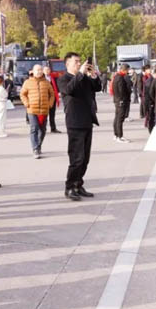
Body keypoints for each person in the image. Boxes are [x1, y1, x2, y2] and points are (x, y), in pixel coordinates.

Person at [57, 53, 101, 201]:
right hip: (75, 122)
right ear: (67, 64)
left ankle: (78, 184)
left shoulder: (83, 78)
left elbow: (97, 87)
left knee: (85, 159)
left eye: (79, 61)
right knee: (77, 158)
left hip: (87, 120)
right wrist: (81, 73)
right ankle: (69, 187)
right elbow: (70, 90)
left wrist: (93, 75)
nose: (78, 64)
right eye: (75, 61)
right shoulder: (64, 79)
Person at [20, 64, 55, 159]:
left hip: (44, 110)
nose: (39, 72)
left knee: (43, 130)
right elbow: (22, 94)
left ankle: (38, 145)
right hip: (32, 110)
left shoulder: (46, 82)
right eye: (37, 70)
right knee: (34, 128)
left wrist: (50, 104)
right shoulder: (27, 82)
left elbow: (52, 94)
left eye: (40, 70)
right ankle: (35, 149)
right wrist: (26, 103)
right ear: (33, 71)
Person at [112, 64, 131, 143]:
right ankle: (120, 136)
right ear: (125, 70)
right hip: (121, 101)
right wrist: (122, 100)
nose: (128, 72)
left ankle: (116, 135)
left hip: (117, 100)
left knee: (117, 118)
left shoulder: (116, 76)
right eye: (128, 70)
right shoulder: (120, 78)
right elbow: (121, 90)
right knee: (120, 119)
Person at [43, 66, 61, 133]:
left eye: (48, 69)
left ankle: (53, 128)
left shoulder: (53, 78)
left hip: (52, 98)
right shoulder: (41, 78)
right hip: (44, 98)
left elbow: (57, 86)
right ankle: (43, 128)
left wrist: (58, 93)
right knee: (44, 114)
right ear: (43, 71)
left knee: (52, 114)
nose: (47, 71)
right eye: (45, 70)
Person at [142, 66, 155, 132]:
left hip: (147, 98)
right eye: (148, 69)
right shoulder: (146, 78)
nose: (149, 70)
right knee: (149, 114)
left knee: (149, 114)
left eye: (150, 69)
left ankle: (147, 124)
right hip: (147, 98)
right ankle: (147, 125)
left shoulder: (150, 78)